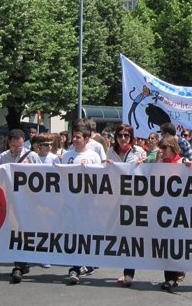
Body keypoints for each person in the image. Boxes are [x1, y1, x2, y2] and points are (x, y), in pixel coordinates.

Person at [61, 120, 104, 284]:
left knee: (86, 234)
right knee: (73, 234)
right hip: (70, 203)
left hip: (87, 204)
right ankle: (75, 266)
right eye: (74, 137)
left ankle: (88, 262)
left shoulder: (93, 156)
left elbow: (99, 179)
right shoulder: (67, 155)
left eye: (78, 137)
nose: (74, 140)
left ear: (87, 139)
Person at [0, 130, 41, 283]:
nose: (17, 150)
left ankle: (24, 261)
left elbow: (42, 175)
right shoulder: (3, 157)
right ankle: (19, 263)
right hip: (12, 200)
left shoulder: (32, 156)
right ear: (9, 143)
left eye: (20, 147)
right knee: (16, 231)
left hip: (29, 200)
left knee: (28, 230)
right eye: (14, 147)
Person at [105, 123, 144, 286]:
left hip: (133, 200)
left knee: (131, 236)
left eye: (126, 135)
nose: (122, 138)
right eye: (120, 135)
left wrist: (144, 164)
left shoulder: (138, 152)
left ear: (131, 137)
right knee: (115, 235)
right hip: (114, 199)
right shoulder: (110, 152)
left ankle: (129, 273)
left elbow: (146, 174)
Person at [157, 135, 185, 291]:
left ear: (173, 148)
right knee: (166, 244)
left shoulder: (182, 163)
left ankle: (178, 270)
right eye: (160, 148)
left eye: (164, 148)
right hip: (163, 209)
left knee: (177, 243)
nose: (162, 151)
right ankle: (169, 277)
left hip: (179, 210)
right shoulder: (159, 163)